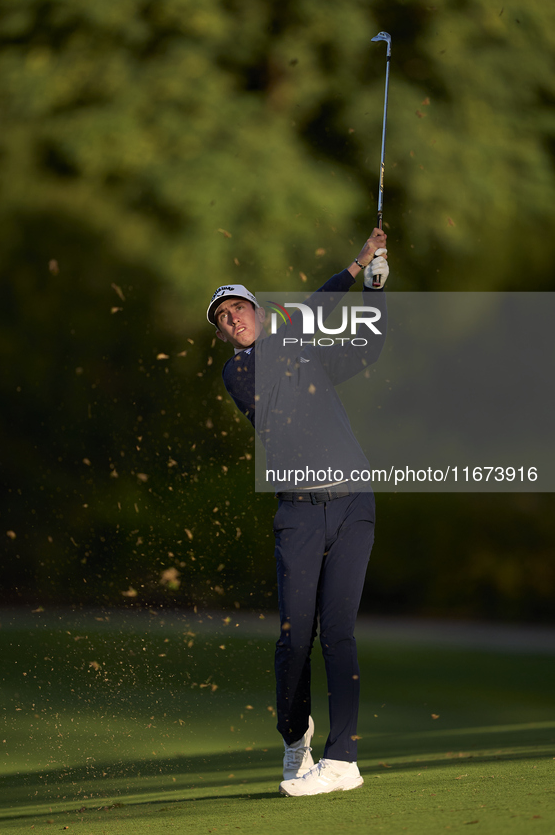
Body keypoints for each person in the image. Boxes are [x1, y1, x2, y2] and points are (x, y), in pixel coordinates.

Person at [206, 228, 389, 796]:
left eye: (239, 307)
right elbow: (311, 313)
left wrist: (377, 285)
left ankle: (344, 761)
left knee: (338, 633)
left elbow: (369, 344)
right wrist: (356, 264)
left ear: (257, 310)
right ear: (222, 335)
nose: (233, 318)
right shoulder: (240, 373)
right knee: (295, 637)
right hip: (299, 514)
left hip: (354, 502)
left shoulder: (304, 354)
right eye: (223, 317)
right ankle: (295, 737)